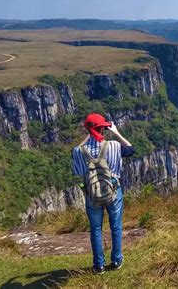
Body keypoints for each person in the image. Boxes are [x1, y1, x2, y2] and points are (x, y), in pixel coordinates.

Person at [72, 113, 135, 274]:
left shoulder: (79, 151)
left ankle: (98, 265)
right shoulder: (114, 145)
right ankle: (116, 260)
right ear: (103, 129)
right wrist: (116, 132)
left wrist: (88, 135)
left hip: (92, 194)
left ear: (88, 129)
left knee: (96, 229)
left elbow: (75, 156)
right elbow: (131, 149)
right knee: (116, 227)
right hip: (113, 192)